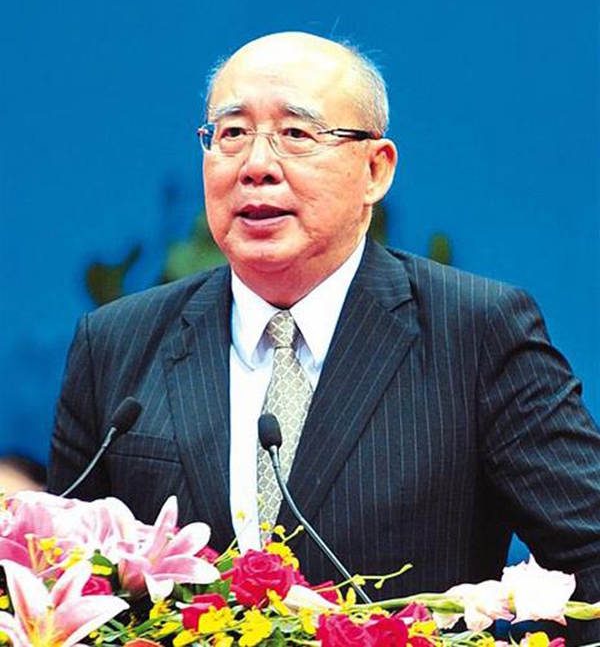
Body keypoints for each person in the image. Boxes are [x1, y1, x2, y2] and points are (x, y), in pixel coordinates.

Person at [48, 32, 600, 628]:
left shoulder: (475, 333)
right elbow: (61, 581)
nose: (256, 166)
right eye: (231, 134)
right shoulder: (115, 344)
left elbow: (590, 563)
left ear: (375, 170)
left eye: (296, 134)